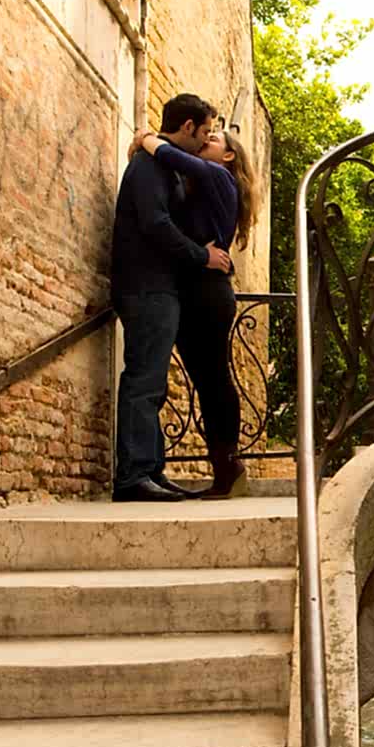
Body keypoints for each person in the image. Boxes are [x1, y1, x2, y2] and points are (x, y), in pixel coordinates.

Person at [109, 93, 231, 502]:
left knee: (153, 382)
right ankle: (134, 477)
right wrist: (202, 256)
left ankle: (151, 471)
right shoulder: (148, 166)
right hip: (146, 286)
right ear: (188, 127)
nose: (207, 139)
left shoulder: (165, 165)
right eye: (206, 131)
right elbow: (155, 223)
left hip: (162, 287)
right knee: (144, 381)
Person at [130, 124, 257, 498]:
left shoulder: (218, 174)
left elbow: (173, 156)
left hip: (208, 293)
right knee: (206, 380)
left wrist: (147, 140)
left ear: (229, 156)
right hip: (193, 290)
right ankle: (226, 469)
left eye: (213, 140)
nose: (205, 142)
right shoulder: (200, 184)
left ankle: (228, 468)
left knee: (214, 378)